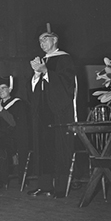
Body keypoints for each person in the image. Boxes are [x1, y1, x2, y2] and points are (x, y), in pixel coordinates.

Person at [27, 31, 76, 198]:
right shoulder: (42, 60)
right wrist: (36, 74)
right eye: (40, 40)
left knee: (58, 147)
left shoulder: (65, 59)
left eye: (45, 39)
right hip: (42, 112)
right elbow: (35, 89)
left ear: (55, 39)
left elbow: (66, 85)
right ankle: (44, 185)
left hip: (58, 112)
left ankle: (60, 188)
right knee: (42, 147)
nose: (41, 43)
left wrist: (46, 72)